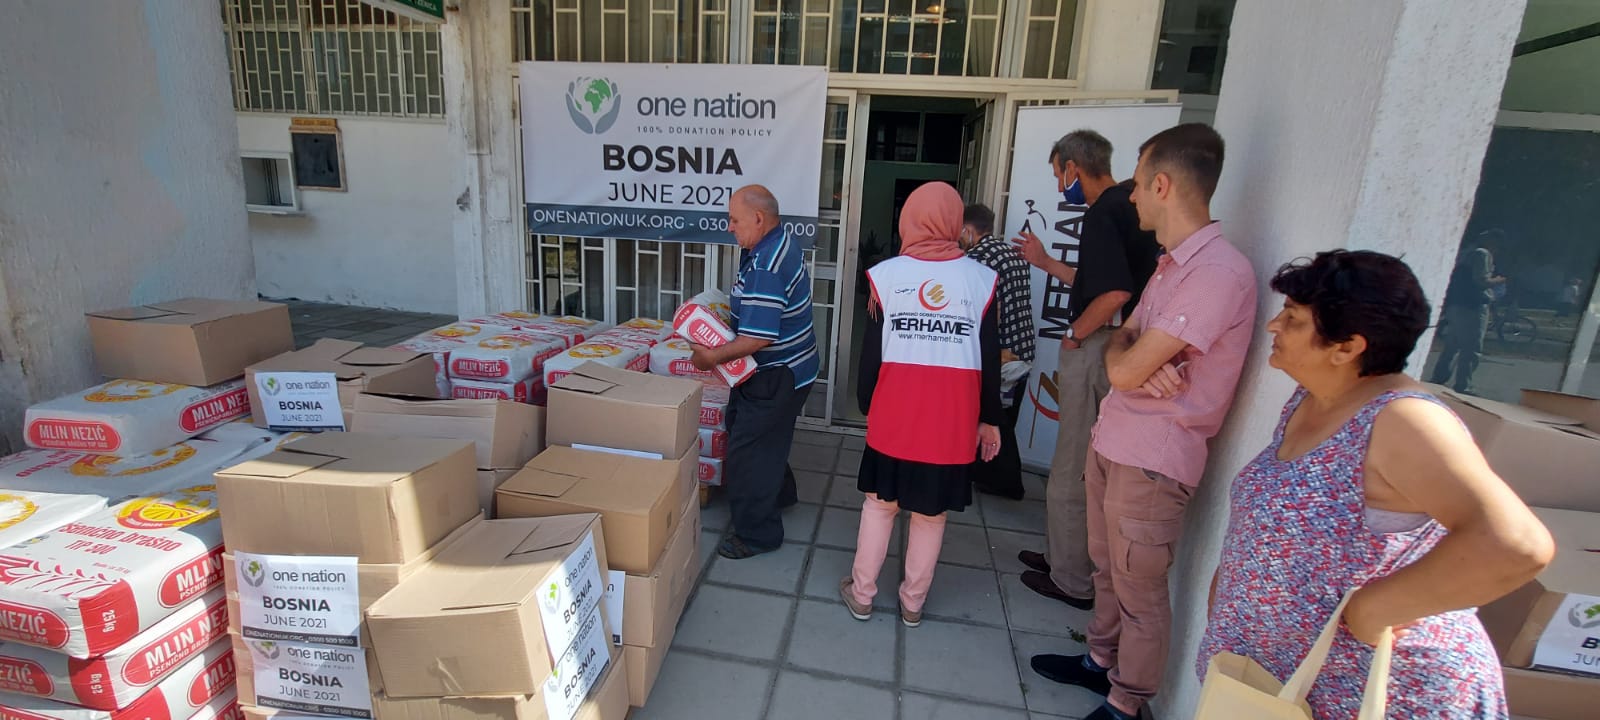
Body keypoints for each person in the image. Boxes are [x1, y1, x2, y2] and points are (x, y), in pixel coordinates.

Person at [1198, 249, 1553, 719]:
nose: (1273, 326)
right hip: (1286, 688)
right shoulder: (1311, 400)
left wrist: (1372, 610)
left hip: (1385, 694)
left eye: (1293, 319)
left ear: (1347, 348)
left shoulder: (1404, 420)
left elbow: (1515, 544)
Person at [1030, 123, 1256, 720]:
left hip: (1153, 456)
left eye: (1137, 183)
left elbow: (1126, 363)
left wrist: (1130, 359)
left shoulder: (1218, 273)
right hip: (1117, 436)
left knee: (1139, 588)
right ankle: (1098, 660)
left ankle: (1127, 701)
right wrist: (1129, 355)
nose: (1129, 196)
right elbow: (1122, 342)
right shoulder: (1169, 265)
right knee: (1108, 569)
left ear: (1162, 185)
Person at [840, 182, 1003, 628]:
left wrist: (866, 402)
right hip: (952, 420)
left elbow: (871, 353)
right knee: (931, 517)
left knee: (880, 506)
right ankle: (913, 604)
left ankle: (862, 594)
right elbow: (990, 357)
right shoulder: (981, 280)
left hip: (895, 414)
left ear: (908, 219)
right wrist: (990, 419)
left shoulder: (887, 275)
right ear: (953, 222)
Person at [1015, 129, 1161, 610]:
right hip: (1118, 347)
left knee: (1072, 466)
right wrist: (1045, 262)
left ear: (1073, 167)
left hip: (1098, 346)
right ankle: (1063, 555)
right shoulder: (1128, 208)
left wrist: (1076, 333)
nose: (1060, 186)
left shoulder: (1103, 212)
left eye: (1059, 174)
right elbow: (1099, 281)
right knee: (1084, 463)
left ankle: (1071, 578)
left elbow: (1114, 294)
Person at [691, 185, 819, 560]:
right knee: (763, 436)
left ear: (759, 218)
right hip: (794, 366)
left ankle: (757, 534)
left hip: (776, 373)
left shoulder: (766, 264)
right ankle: (781, 495)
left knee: (748, 451)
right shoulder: (775, 242)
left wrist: (711, 357)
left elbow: (758, 338)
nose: (729, 227)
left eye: (734, 220)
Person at [959, 203, 1035, 500]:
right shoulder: (1011, 253)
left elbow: (992, 310)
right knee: (1004, 417)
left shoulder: (977, 259)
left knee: (993, 418)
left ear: (967, 230)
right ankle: (993, 478)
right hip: (1022, 347)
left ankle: (1005, 482)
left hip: (1001, 353)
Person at [1428, 233, 1504, 394]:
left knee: (1452, 345)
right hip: (1473, 306)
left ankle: (1439, 378)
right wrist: (1498, 280)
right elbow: (1481, 281)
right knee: (1472, 347)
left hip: (1457, 304)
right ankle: (1463, 384)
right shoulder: (1483, 254)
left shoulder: (1466, 253)